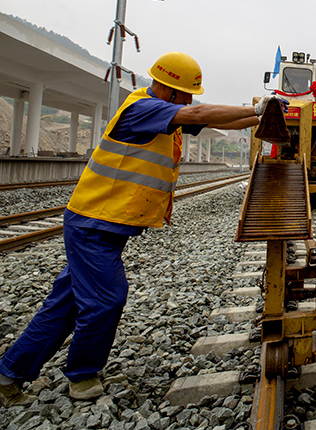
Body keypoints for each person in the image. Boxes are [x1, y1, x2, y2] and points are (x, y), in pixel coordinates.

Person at [0, 52, 279, 406]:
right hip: (93, 224)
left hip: (103, 224)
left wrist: (260, 113)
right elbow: (197, 114)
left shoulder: (162, 112)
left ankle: (8, 376)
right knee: (106, 298)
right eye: (186, 93)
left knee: (67, 303)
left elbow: (206, 121)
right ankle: (82, 376)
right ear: (168, 89)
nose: (190, 100)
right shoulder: (142, 108)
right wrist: (258, 109)